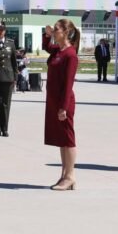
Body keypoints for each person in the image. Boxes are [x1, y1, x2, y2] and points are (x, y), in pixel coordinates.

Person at [42, 19, 80, 190]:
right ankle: (64, 175)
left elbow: (68, 84)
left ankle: (70, 176)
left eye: (56, 29)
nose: (54, 31)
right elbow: (46, 46)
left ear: (65, 32)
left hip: (64, 102)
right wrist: (47, 34)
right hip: (54, 101)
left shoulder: (70, 54)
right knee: (61, 140)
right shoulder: (58, 50)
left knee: (68, 139)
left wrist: (64, 107)